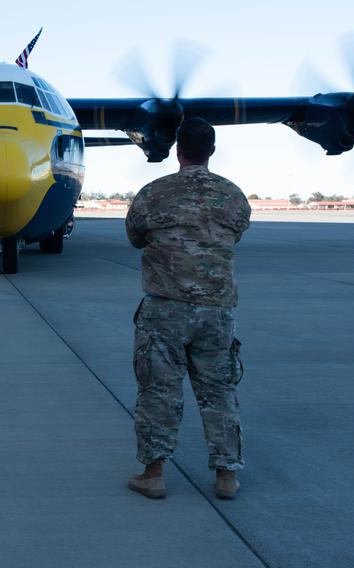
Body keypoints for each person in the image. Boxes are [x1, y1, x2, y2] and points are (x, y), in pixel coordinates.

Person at [124, 117, 251, 500]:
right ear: (211, 150)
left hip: (166, 311)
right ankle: (227, 475)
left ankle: (154, 474)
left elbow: (134, 236)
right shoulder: (233, 196)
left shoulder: (154, 193)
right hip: (217, 313)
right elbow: (236, 234)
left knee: (159, 393)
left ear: (177, 149)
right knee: (219, 392)